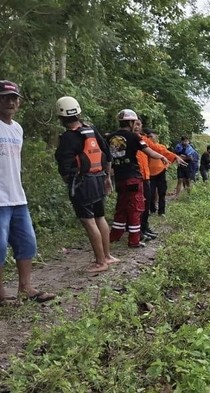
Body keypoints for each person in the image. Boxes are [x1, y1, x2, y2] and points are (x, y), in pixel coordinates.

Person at [0, 80, 55, 303]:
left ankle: (26, 288)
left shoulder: (17, 128)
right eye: (5, 97)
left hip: (17, 197)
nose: (10, 102)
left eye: (14, 98)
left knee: (27, 242)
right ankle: (1, 294)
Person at [54, 96, 119, 273]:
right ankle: (107, 256)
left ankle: (100, 263)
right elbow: (107, 152)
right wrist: (106, 177)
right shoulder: (91, 130)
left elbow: (64, 166)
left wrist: (69, 180)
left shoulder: (68, 137)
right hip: (99, 177)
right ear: (78, 112)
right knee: (100, 217)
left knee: (88, 221)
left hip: (82, 182)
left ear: (60, 116)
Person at [106, 109, 169, 248]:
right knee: (136, 207)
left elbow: (108, 158)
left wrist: (107, 176)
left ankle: (114, 235)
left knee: (121, 206)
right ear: (131, 122)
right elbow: (149, 152)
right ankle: (134, 240)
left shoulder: (110, 137)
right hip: (133, 177)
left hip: (119, 178)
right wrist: (162, 156)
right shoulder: (134, 137)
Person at [132, 121, 183, 240]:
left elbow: (157, 149)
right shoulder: (125, 138)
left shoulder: (143, 139)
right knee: (135, 203)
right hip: (134, 174)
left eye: (139, 124)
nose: (137, 126)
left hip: (146, 175)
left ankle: (143, 228)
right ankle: (133, 231)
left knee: (148, 200)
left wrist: (173, 157)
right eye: (134, 124)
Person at [145, 130, 169, 215]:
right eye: (148, 136)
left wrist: (165, 167)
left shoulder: (161, 147)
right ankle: (152, 209)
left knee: (162, 192)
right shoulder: (145, 148)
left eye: (151, 136)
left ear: (156, 136)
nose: (149, 138)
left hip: (161, 172)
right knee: (150, 193)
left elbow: (167, 157)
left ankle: (161, 211)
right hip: (150, 173)